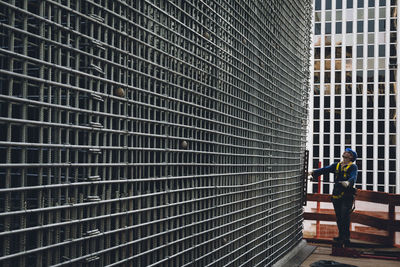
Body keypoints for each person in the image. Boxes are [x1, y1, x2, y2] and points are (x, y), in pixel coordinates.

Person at [308, 148, 358, 246]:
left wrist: (348, 182)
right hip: (336, 195)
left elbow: (353, 177)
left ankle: (346, 238)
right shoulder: (337, 165)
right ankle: (341, 237)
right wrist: (313, 173)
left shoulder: (353, 167)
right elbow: (325, 169)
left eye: (348, 152)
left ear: (351, 157)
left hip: (347, 196)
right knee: (339, 217)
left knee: (344, 216)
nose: (345, 152)